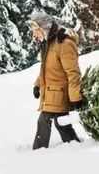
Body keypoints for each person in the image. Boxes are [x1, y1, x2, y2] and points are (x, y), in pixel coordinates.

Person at [30, 11, 83, 150]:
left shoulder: (64, 44)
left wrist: (75, 97)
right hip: (51, 92)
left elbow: (73, 73)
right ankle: (75, 146)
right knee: (62, 124)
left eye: (36, 30)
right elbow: (47, 70)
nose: (34, 35)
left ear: (44, 28)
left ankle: (38, 153)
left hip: (59, 93)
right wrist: (37, 85)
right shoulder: (49, 43)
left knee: (44, 121)